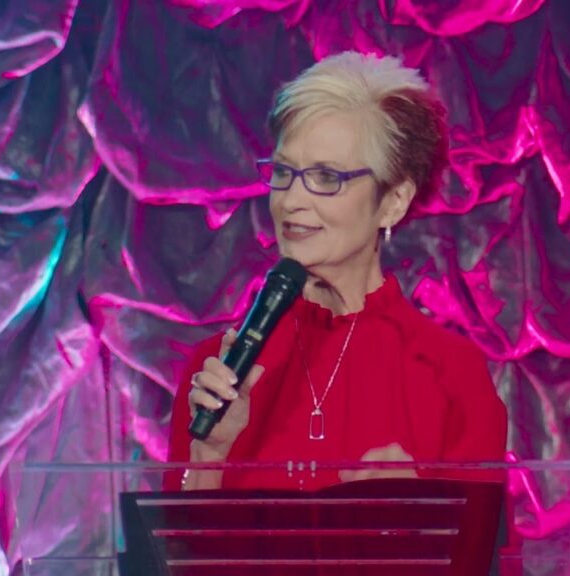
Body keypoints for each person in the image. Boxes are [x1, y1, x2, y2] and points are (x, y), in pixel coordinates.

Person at [168, 51, 507, 491]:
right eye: (284, 172)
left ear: (393, 201)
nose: (291, 201)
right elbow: (175, 536)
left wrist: (419, 510)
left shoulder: (451, 375)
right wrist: (209, 457)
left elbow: (483, 535)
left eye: (327, 178)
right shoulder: (218, 372)